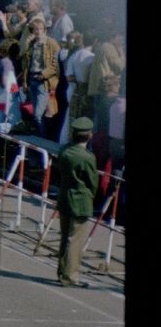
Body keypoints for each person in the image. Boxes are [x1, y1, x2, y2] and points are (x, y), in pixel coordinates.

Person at [52, 117, 99, 287]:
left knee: (65, 237)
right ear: (89, 135)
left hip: (64, 197)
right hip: (80, 200)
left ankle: (62, 271)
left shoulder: (65, 151)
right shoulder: (87, 157)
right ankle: (70, 276)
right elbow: (92, 182)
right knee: (76, 240)